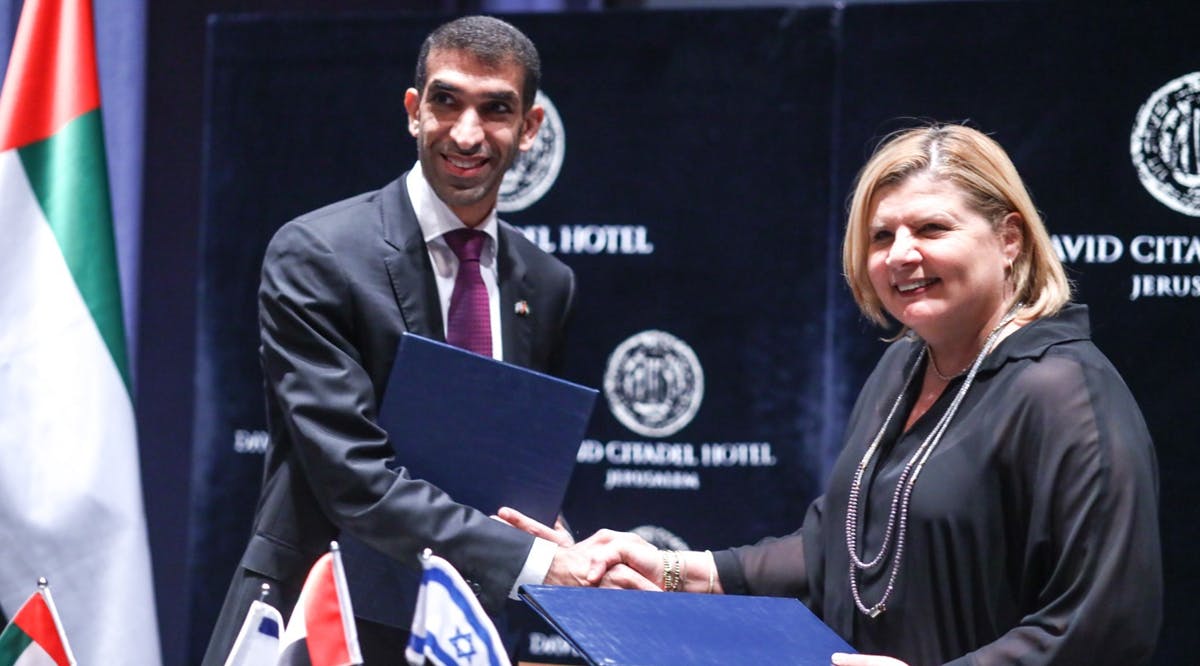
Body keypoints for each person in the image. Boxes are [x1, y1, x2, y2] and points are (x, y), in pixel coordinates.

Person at [502, 124, 1163, 665]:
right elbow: (836, 552)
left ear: (1009, 240)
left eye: (932, 229)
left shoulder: (1065, 391)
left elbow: (1103, 627)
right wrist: (676, 569)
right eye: (882, 236)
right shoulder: (902, 368)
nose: (901, 255)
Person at [202, 15, 642, 665]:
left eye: (495, 109)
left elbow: (511, 468)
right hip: (324, 618)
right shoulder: (319, 253)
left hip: (460, 627)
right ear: (414, 111)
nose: (467, 133)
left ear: (530, 129)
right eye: (446, 101)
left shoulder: (548, 283)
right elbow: (354, 478)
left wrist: (556, 543)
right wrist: (545, 563)